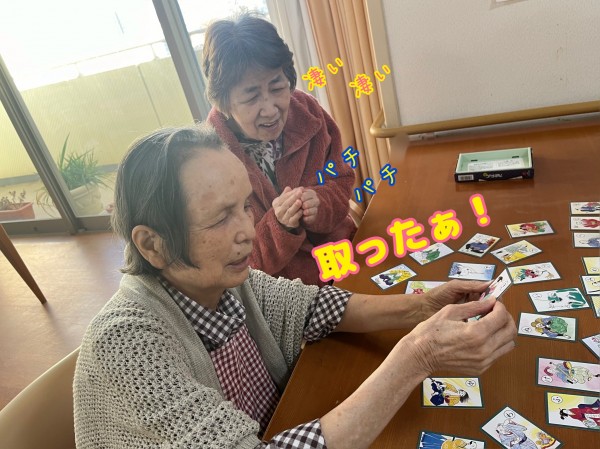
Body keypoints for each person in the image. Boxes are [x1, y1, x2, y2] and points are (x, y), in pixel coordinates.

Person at [73, 125, 517, 449]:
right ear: (153, 244)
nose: (249, 230)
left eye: (245, 206)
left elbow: (317, 306)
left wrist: (423, 307)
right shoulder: (126, 342)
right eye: (221, 218)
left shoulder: (228, 281)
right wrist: (416, 357)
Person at [202, 14, 356, 286]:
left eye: (277, 87)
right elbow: (236, 262)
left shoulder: (309, 113)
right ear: (224, 102)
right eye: (251, 97)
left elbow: (342, 182)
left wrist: (320, 203)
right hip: (285, 292)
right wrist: (279, 226)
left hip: (345, 259)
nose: (271, 109)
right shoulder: (208, 160)